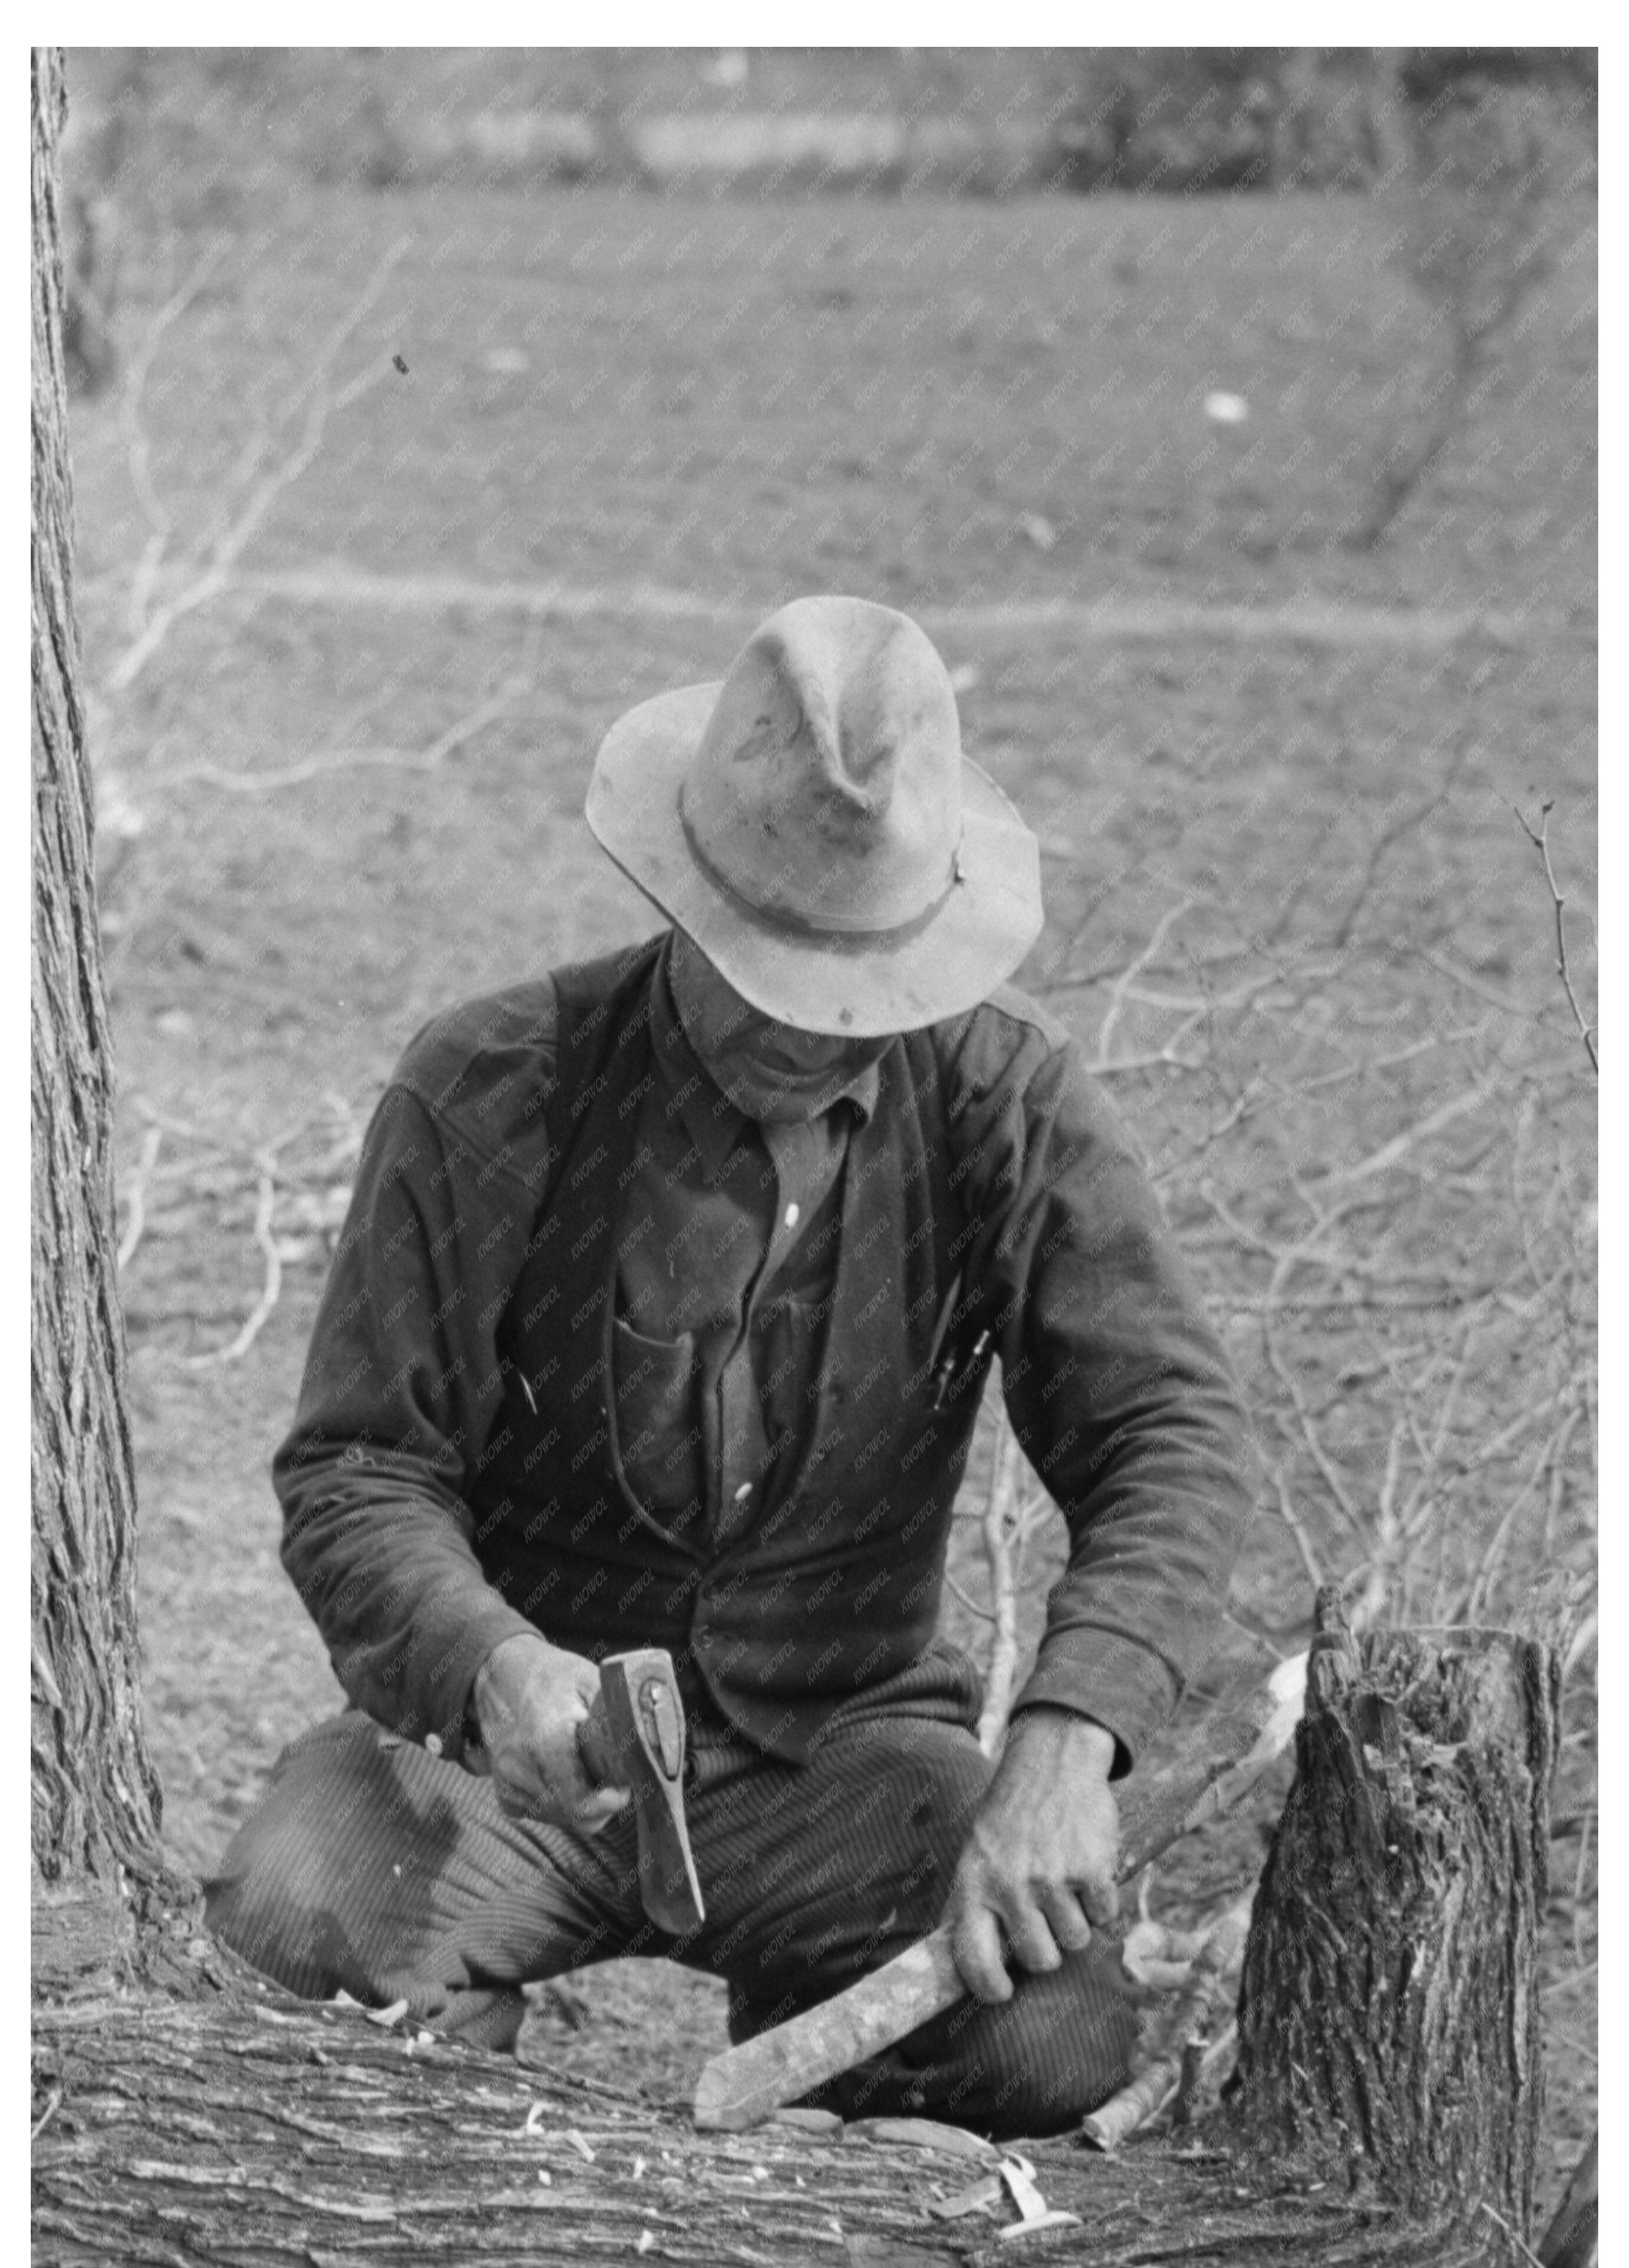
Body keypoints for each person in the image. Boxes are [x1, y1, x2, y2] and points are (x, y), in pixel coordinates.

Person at [205, 596, 1258, 2137]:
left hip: (847, 1758)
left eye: (865, 982)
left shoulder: (1001, 1103)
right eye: (777, 971)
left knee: (1044, 2031)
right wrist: (493, 1665)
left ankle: (802, 2216)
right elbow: (363, 1471)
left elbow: (1169, 1426)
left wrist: (1060, 1742)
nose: (822, 1026)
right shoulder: (488, 1089)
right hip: (518, 1759)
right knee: (301, 1912)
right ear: (682, 899)